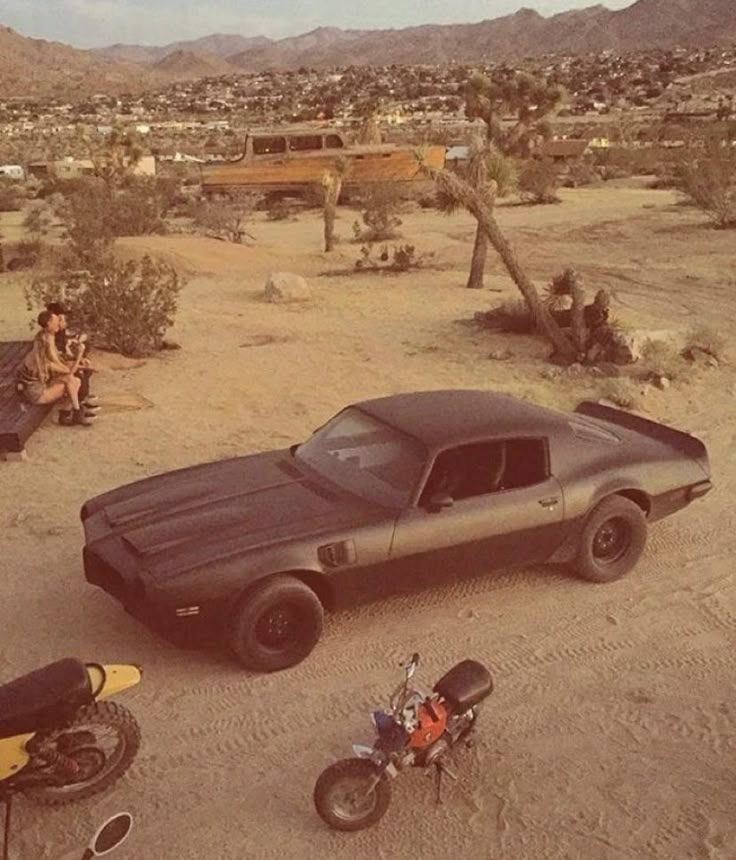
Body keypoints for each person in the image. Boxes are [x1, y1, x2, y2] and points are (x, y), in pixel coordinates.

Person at [17, 310, 95, 426]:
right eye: (56, 320)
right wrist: (79, 355)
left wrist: (79, 362)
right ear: (49, 324)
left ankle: (69, 412)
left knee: (74, 380)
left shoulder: (43, 338)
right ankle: (75, 412)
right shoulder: (45, 357)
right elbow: (69, 371)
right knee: (72, 381)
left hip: (34, 387)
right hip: (37, 394)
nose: (59, 322)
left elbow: (61, 361)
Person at [45, 301, 99, 409]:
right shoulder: (50, 336)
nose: (63, 321)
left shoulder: (59, 332)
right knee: (80, 371)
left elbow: (64, 351)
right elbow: (57, 357)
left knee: (85, 367)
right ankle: (79, 402)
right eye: (61, 319)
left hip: (61, 362)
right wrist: (77, 360)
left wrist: (80, 358)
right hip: (54, 367)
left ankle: (82, 398)